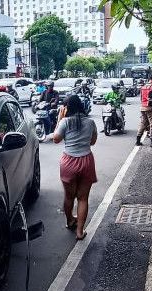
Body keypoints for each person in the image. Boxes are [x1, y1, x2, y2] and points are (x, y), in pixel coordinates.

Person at [52, 94, 98, 241]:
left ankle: (69, 221)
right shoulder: (90, 122)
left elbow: (56, 139)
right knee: (83, 198)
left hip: (68, 163)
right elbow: (92, 142)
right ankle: (80, 232)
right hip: (86, 161)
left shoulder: (65, 122)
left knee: (69, 196)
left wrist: (59, 119)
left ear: (67, 108)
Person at [137, 73, 152, 147]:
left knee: (143, 124)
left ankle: (138, 140)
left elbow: (141, 98)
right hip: (151, 108)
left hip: (143, 107)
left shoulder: (143, 87)